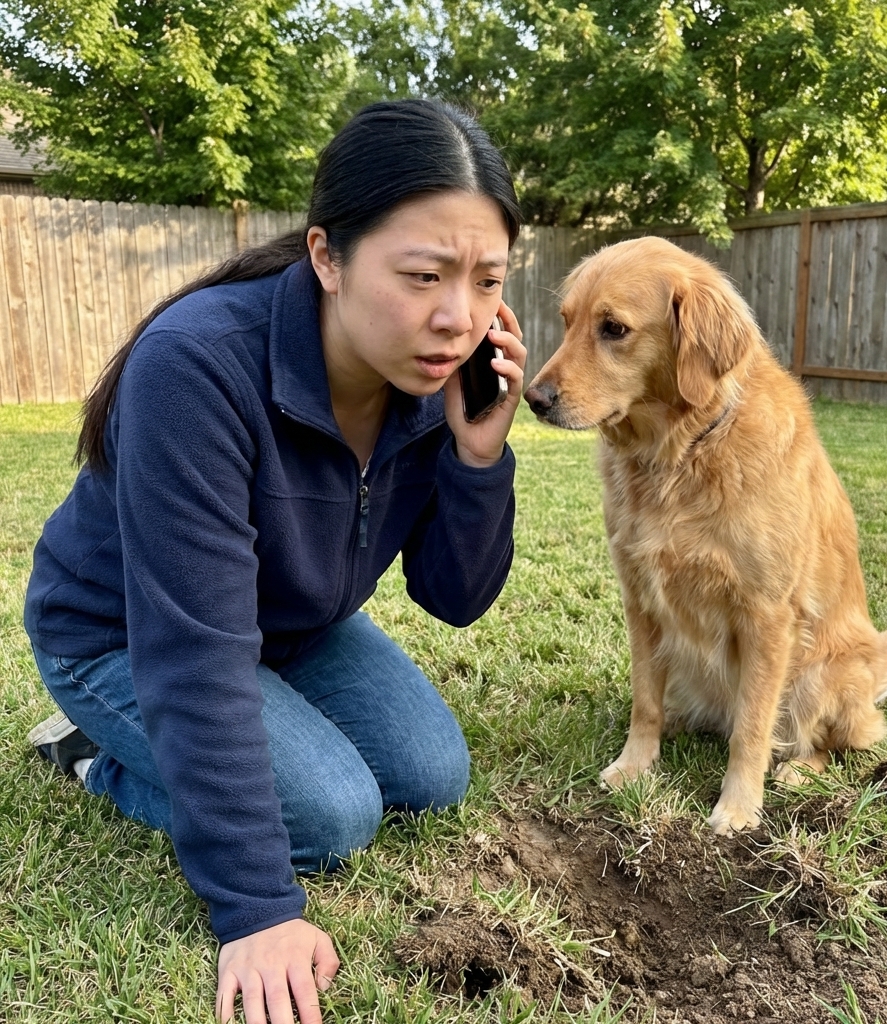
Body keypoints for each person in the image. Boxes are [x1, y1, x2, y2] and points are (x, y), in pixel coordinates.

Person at [23, 99, 526, 1024]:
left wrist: (478, 458)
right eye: (422, 275)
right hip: (125, 631)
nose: (459, 318)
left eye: (488, 281)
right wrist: (255, 910)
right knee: (331, 817)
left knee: (431, 776)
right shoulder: (198, 367)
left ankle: (203, 740)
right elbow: (193, 652)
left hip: (290, 624)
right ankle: (93, 754)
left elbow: (453, 598)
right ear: (327, 257)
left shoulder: (432, 382)